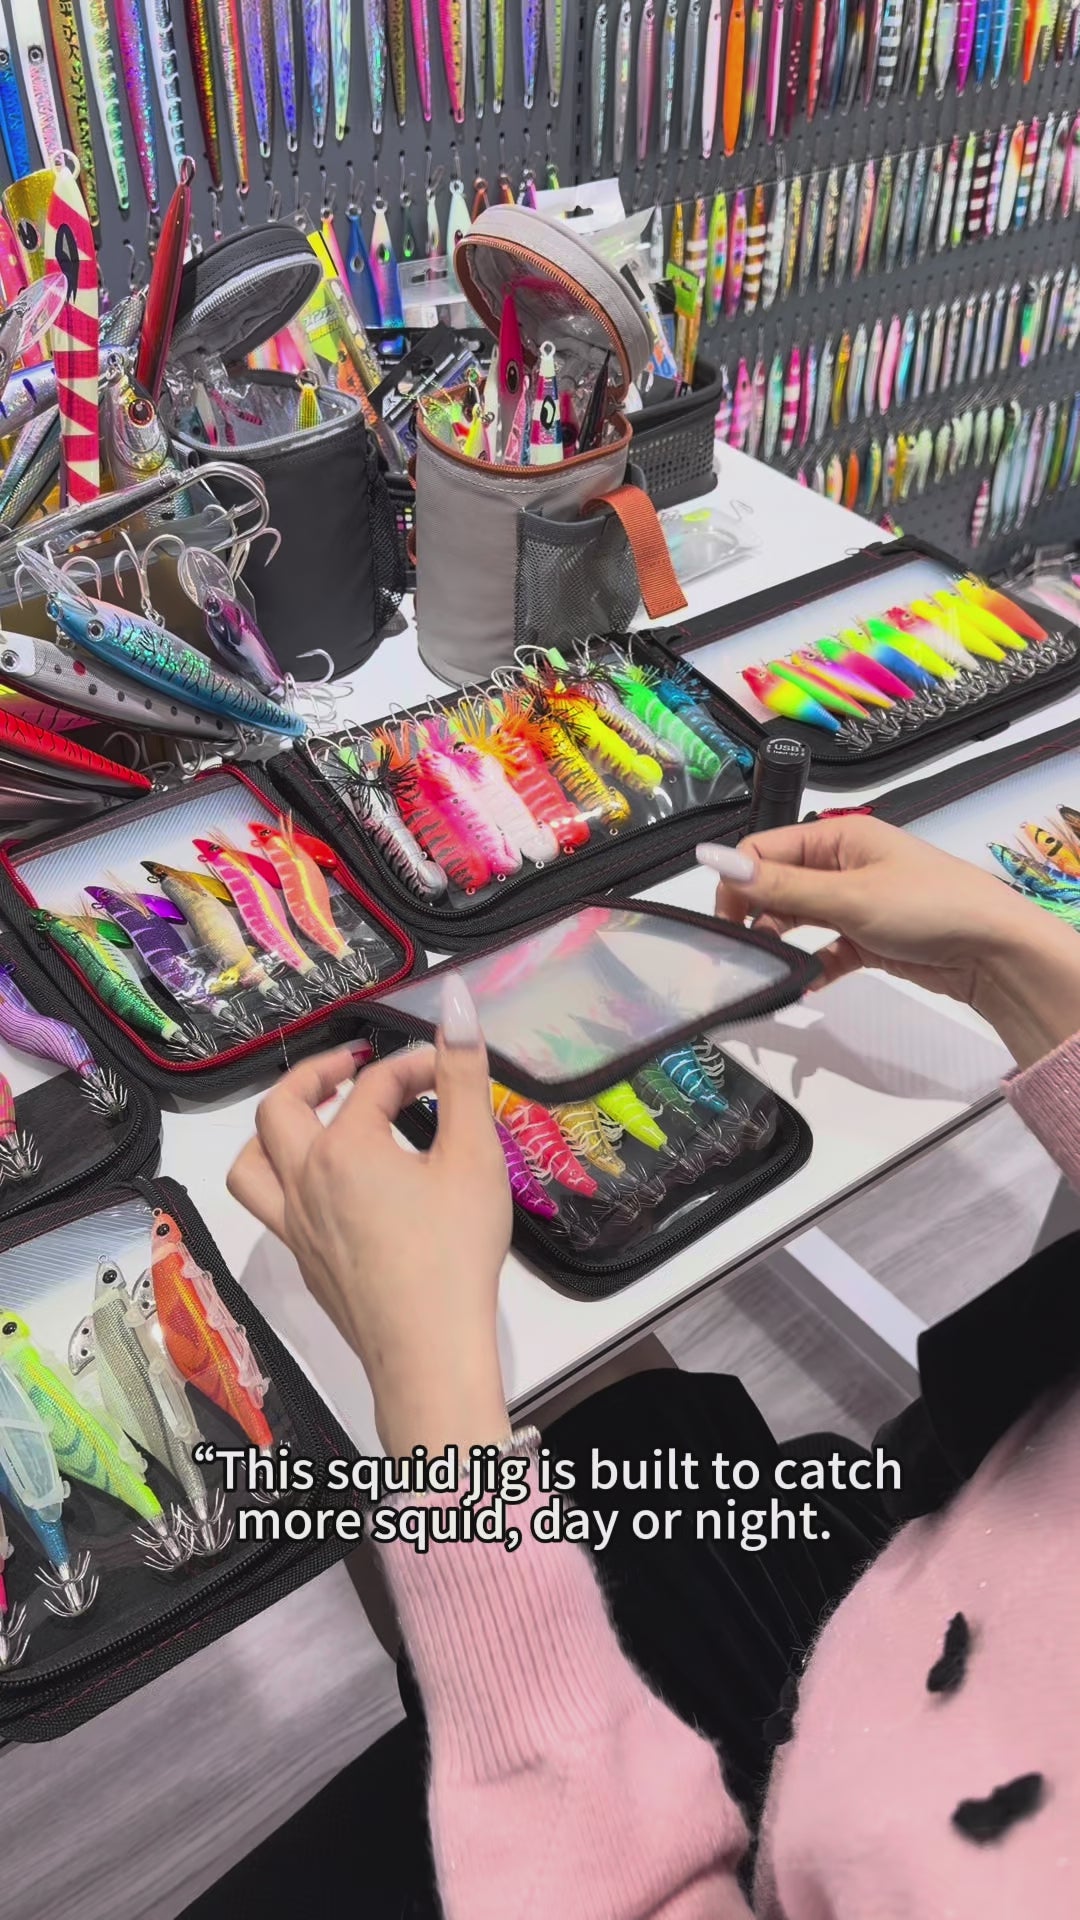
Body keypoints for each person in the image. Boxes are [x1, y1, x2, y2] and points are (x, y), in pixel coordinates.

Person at [196, 816, 1080, 1920]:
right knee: (624, 1411)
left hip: (751, 1829)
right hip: (925, 1574)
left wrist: (430, 1394)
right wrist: (1024, 966)